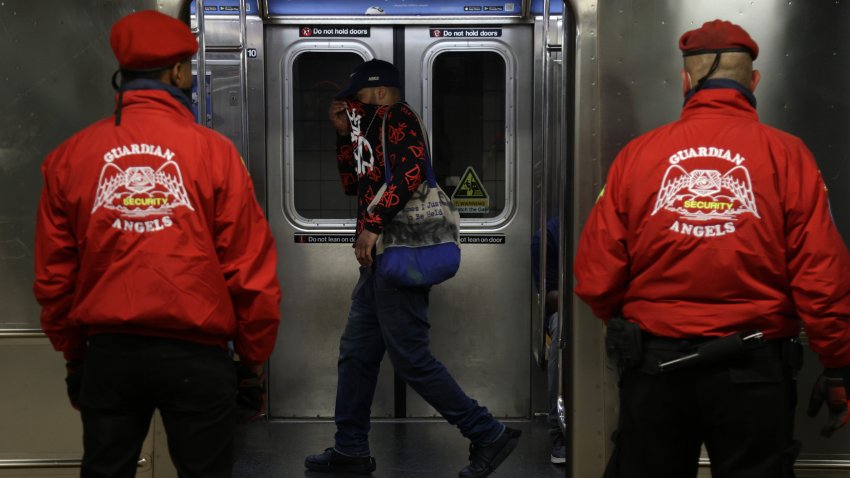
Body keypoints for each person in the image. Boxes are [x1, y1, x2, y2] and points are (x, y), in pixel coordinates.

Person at [574, 19, 850, 478]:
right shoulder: (788, 156)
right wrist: (838, 362)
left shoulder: (637, 157)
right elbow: (822, 275)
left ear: (685, 79)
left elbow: (594, 275)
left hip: (655, 368)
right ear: (754, 81)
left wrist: (637, 325)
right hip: (755, 373)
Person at [33, 10, 281, 478]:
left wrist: (74, 354)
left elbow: (54, 274)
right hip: (198, 356)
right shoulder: (216, 154)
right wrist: (252, 361)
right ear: (178, 73)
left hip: (109, 354)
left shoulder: (70, 157)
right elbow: (250, 269)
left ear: (123, 76)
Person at [304, 59, 520, 478]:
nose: (353, 103)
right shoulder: (369, 127)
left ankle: (487, 432)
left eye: (358, 96)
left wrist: (370, 225)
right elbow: (354, 182)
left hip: (399, 255)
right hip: (378, 263)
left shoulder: (399, 119)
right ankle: (350, 448)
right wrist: (342, 135)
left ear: (380, 91)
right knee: (356, 355)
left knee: (410, 359)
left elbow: (412, 172)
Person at [530, 217, 566, 464]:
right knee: (563, 330)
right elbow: (550, 295)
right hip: (568, 305)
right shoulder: (549, 235)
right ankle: (560, 432)